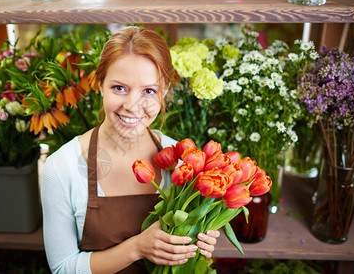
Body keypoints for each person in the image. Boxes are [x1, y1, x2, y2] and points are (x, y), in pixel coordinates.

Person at [40, 26, 220, 274]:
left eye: (149, 91)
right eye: (119, 88)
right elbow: (62, 268)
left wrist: (195, 243)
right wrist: (137, 248)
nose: (132, 106)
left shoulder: (183, 159)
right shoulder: (61, 168)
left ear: (164, 91)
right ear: (100, 84)